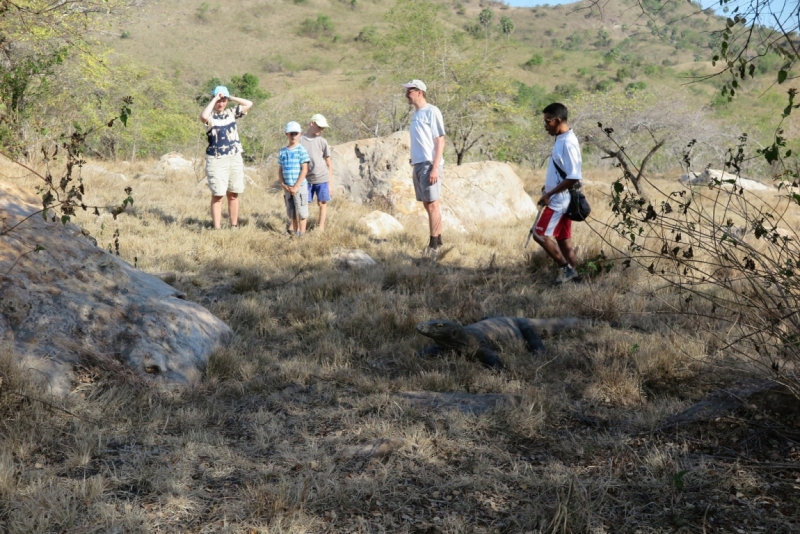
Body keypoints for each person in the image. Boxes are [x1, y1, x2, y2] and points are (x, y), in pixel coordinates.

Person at [532, 102, 582, 285]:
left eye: (547, 122)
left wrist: (549, 193)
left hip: (559, 199)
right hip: (558, 195)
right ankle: (575, 278)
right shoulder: (562, 139)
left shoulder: (568, 143)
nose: (545, 126)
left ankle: (565, 269)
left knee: (538, 234)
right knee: (563, 240)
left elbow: (574, 176)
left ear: (558, 120)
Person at [200, 85, 254, 230]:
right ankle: (217, 228)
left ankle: (234, 225)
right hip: (217, 159)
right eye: (219, 100)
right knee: (218, 195)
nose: (221, 103)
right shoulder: (210, 117)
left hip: (234, 157)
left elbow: (249, 104)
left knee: (233, 193)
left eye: (224, 100)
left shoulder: (231, 112)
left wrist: (229, 97)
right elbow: (203, 117)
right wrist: (215, 98)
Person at [403, 79, 446, 254]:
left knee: (433, 204)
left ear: (419, 92)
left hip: (429, 164)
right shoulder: (416, 114)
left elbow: (440, 140)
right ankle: (439, 241)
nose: (406, 94)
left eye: (409, 91)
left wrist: (435, 167)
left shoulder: (432, 111)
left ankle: (434, 245)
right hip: (418, 164)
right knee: (427, 204)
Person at [300, 114, 334, 231]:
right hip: (305, 179)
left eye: (323, 128)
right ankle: (301, 228)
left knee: (322, 203)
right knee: (303, 204)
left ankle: (321, 228)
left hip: (322, 178)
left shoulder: (323, 142)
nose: (321, 130)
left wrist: (330, 184)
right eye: (319, 127)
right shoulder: (300, 140)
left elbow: (328, 163)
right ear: (312, 123)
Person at [279, 121, 311, 237]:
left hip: (300, 186)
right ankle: (294, 233)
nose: (293, 136)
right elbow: (280, 169)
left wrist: (296, 186)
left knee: (302, 212)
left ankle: (301, 234)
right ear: (286, 134)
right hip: (287, 187)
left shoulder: (301, 150)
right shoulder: (283, 151)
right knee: (291, 212)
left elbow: (304, 169)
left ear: (300, 134)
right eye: (291, 133)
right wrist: (283, 184)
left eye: (295, 133)